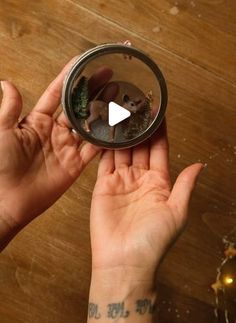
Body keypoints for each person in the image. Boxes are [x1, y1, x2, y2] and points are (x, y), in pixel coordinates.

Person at [0, 58, 203, 322]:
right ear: (125, 101)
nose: (132, 106)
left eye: (134, 105)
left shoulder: (123, 111)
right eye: (130, 103)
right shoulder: (108, 109)